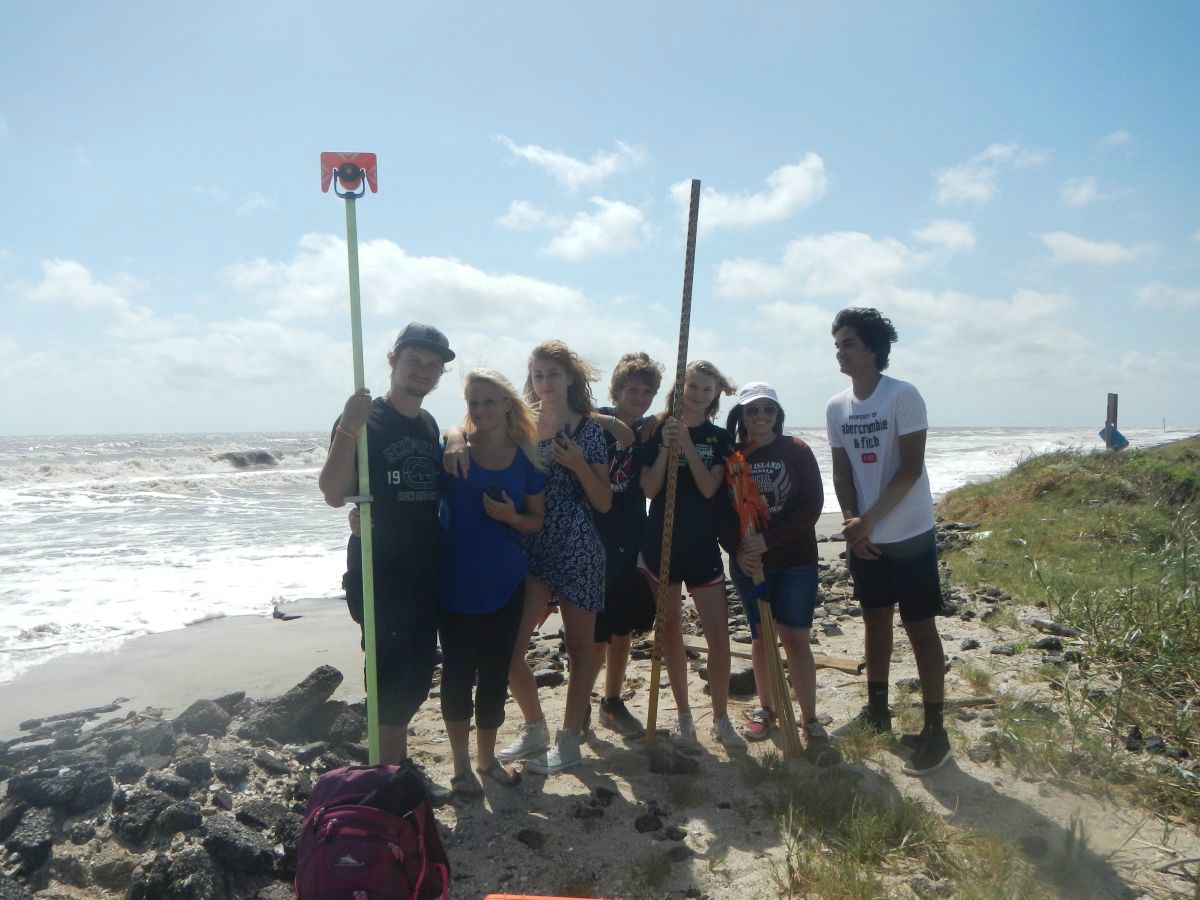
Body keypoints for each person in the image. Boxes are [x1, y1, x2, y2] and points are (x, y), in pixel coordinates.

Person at [466, 341, 615, 774]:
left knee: (580, 649)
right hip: (529, 548)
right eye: (537, 376)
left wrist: (579, 464)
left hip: (578, 547)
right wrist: (455, 437)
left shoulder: (589, 431)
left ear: (571, 377)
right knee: (508, 650)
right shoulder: (522, 428)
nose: (545, 383)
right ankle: (535, 727)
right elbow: (472, 430)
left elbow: (604, 501)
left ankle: (569, 740)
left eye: (553, 374)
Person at [318, 322, 453, 766]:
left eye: (433, 365)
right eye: (414, 360)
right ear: (394, 360)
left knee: (416, 675)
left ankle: (395, 761)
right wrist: (348, 429)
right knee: (387, 675)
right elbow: (333, 492)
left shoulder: (429, 423)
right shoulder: (364, 417)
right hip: (379, 570)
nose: (423, 370)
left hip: (423, 569)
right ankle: (386, 769)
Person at [826, 307, 951, 776]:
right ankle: (878, 710)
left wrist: (868, 522)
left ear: (873, 348)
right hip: (868, 537)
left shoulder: (903, 395)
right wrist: (852, 521)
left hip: (910, 534)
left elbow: (909, 469)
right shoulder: (837, 406)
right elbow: (842, 470)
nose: (840, 352)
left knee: (921, 627)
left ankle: (936, 729)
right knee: (874, 621)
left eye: (849, 343)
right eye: (837, 344)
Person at [438, 369, 548, 796]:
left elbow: (536, 521)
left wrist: (509, 517)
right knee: (456, 672)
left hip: (505, 582)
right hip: (454, 582)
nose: (480, 410)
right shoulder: (452, 452)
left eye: (488, 401)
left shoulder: (528, 457)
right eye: (472, 403)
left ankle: (487, 760)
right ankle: (461, 768)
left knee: (494, 675)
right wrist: (452, 435)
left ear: (506, 404)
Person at [640, 360, 744, 748]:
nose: (699, 393)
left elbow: (707, 487)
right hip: (661, 543)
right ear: (681, 387)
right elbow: (649, 490)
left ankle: (720, 716)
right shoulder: (657, 430)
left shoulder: (718, 438)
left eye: (707, 388)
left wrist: (686, 443)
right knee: (669, 632)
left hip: (701, 543)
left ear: (715, 394)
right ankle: (684, 715)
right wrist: (668, 445)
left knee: (718, 633)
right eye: (693, 386)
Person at [723, 382, 831, 756]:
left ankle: (809, 718)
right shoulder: (734, 457)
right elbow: (722, 514)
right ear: (741, 416)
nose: (760, 417)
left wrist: (770, 540)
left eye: (767, 409)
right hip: (750, 564)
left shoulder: (796, 450)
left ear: (777, 414)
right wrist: (737, 551)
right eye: (752, 411)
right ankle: (766, 709)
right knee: (761, 638)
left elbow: (811, 506)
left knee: (796, 638)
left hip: (795, 561)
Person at [593, 352, 663, 737]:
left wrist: (661, 422)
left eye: (648, 392)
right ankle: (579, 702)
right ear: (617, 390)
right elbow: (554, 411)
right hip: (593, 535)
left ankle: (612, 700)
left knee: (623, 629)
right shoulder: (596, 420)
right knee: (592, 633)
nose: (640, 397)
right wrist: (608, 420)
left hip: (631, 536)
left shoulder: (648, 432)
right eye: (632, 390)